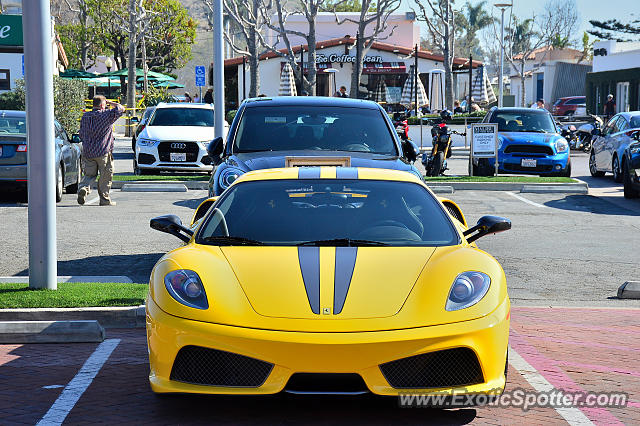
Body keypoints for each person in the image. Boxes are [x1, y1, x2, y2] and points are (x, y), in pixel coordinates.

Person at [77, 95, 124, 206]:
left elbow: (81, 133)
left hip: (88, 151)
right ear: (103, 105)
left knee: (89, 175)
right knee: (105, 176)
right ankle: (104, 199)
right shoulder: (106, 115)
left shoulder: (85, 116)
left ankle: (84, 188)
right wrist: (110, 102)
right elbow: (121, 108)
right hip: (103, 151)